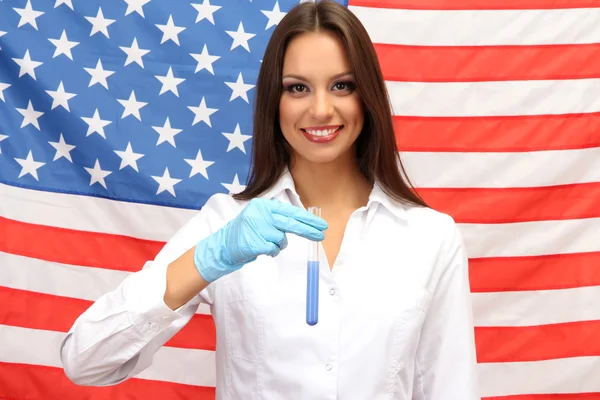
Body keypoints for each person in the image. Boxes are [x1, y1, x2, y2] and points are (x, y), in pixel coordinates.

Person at [60, 1, 480, 399]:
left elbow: (452, 387)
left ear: (366, 96)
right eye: (297, 88)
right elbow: (85, 360)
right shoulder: (226, 222)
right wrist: (207, 259)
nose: (320, 109)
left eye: (342, 86)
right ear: (273, 102)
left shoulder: (430, 237)